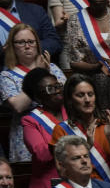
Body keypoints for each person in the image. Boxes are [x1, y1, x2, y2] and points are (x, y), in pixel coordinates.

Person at [1, 25, 65, 162]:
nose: (27, 46)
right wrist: (38, 74)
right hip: (26, 135)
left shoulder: (52, 68)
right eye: (21, 42)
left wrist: (45, 73)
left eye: (31, 41)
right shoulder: (7, 75)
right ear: (13, 46)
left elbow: (67, 96)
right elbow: (18, 106)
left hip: (56, 127)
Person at [50, 73, 110, 182]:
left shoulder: (109, 126)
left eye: (90, 94)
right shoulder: (61, 130)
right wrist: (88, 146)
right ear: (70, 100)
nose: (87, 100)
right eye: (80, 95)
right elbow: (62, 172)